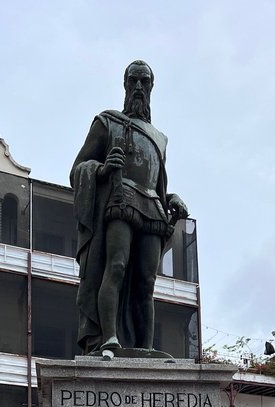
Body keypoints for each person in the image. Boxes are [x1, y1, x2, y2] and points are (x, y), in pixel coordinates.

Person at [70, 60, 188, 353]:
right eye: (133, 81)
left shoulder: (160, 138)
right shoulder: (107, 122)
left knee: (146, 281)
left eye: (143, 82)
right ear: (125, 85)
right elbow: (77, 169)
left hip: (152, 206)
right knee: (117, 266)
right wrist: (100, 169)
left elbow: (158, 183)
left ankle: (145, 348)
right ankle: (109, 336)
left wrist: (170, 198)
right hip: (120, 198)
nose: (138, 87)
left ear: (151, 87)